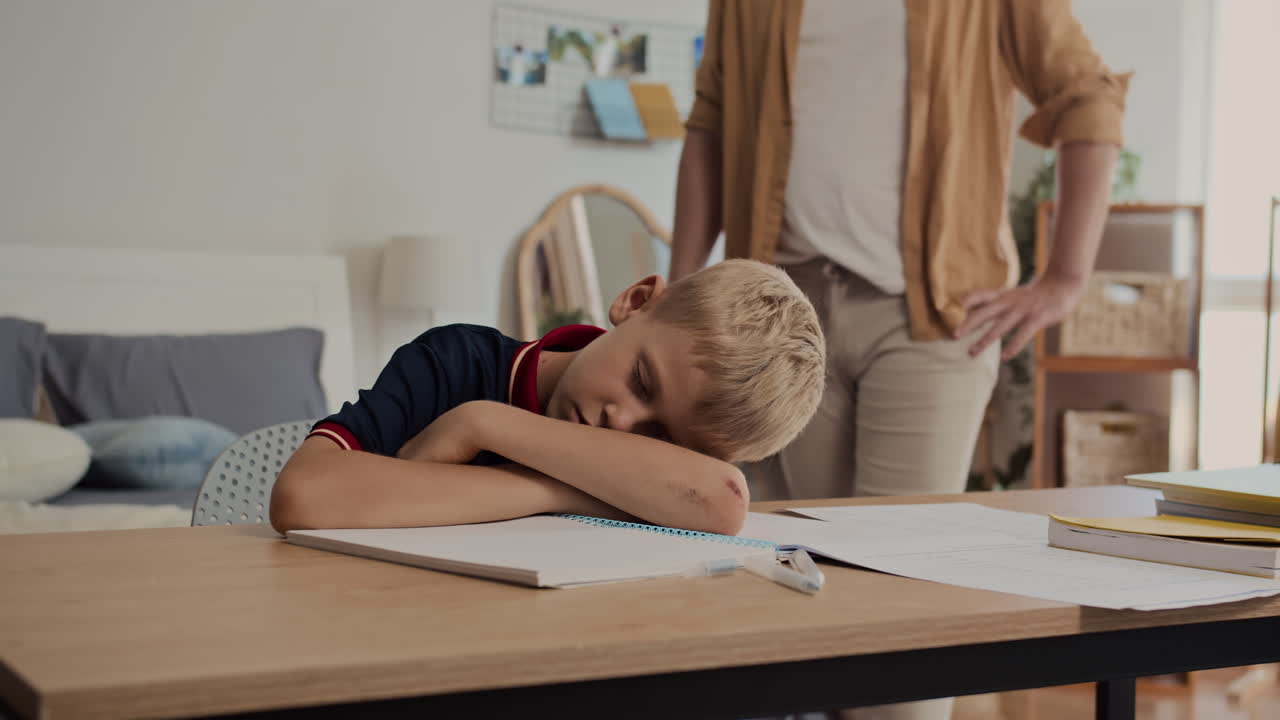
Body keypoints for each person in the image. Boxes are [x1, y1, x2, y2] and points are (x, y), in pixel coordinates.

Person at [670, 2, 1128, 718]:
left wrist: (1065, 279)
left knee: (903, 609)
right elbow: (711, 119)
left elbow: (1088, 95)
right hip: (782, 319)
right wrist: (681, 283)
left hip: (932, 320)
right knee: (803, 594)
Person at [270, 259, 825, 537]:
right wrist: (569, 487)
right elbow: (302, 498)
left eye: (661, 439)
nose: (623, 423)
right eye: (641, 381)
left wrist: (483, 426)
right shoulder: (454, 362)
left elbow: (725, 503)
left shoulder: (480, 414)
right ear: (634, 301)